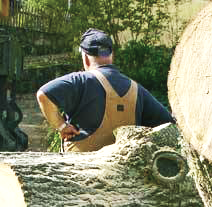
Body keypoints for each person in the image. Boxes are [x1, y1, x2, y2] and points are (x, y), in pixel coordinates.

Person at [36, 28, 174, 152]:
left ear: (85, 57)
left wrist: (61, 126)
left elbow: (43, 95)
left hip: (79, 171)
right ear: (111, 55)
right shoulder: (137, 90)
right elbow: (168, 123)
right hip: (125, 173)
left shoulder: (80, 80)